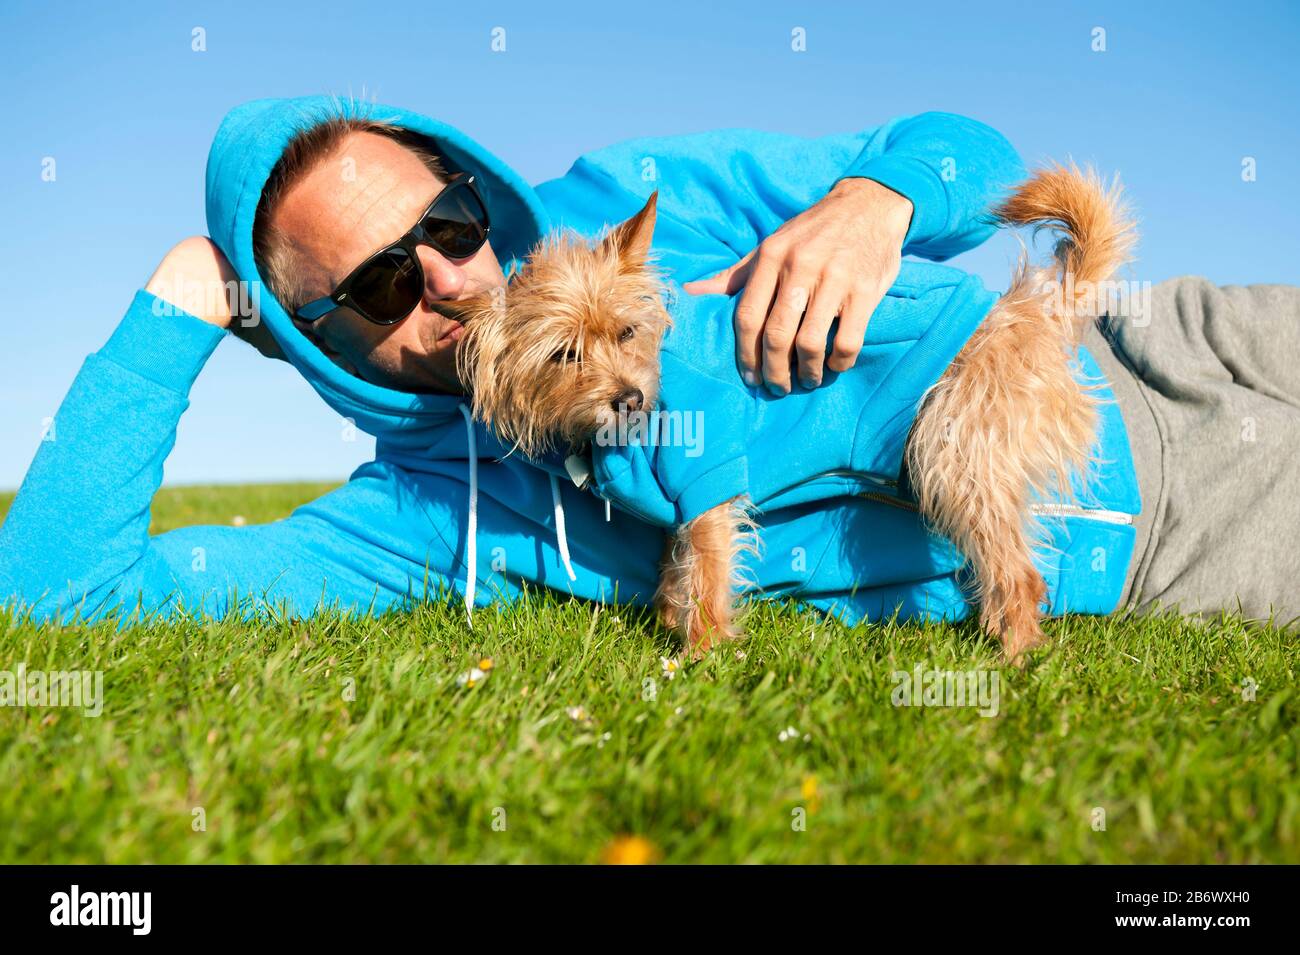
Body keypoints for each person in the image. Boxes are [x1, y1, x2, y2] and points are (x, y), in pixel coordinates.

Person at [2, 95, 1294, 632]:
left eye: (445, 228)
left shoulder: (638, 194)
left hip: (1145, 332)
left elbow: (965, 156)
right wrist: (175, 306)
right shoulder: (414, 523)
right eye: (383, 283)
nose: (452, 279)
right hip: (1170, 533)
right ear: (310, 338)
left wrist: (878, 197)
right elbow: (59, 600)